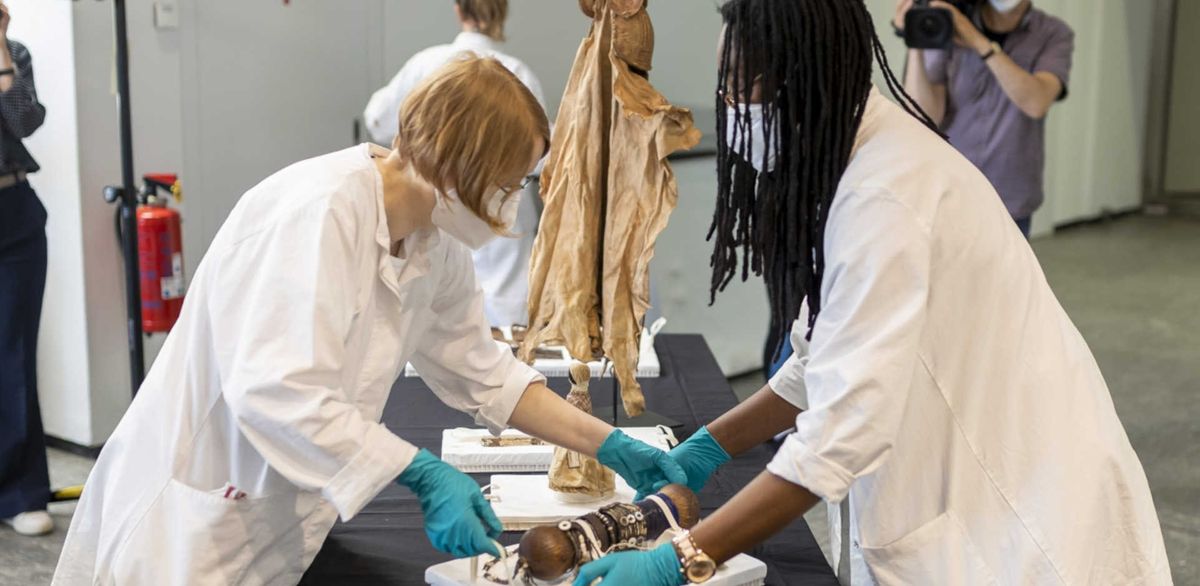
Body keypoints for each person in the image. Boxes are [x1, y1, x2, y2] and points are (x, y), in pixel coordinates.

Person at [575, 1, 1171, 585]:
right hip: (979, 491)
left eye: (739, 88)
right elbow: (820, 360)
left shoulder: (884, 194)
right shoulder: (848, 161)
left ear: (797, 77)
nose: (731, 107)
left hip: (1025, 517)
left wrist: (677, 558)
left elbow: (840, 434)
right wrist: (705, 449)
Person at [52, 56, 685, 585]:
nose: (512, 202)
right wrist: (419, 472)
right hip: (191, 521)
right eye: (510, 181)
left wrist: (607, 443)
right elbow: (274, 391)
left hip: (278, 516)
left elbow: (482, 372)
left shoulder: (435, 238)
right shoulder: (317, 212)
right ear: (457, 164)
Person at [365, 0, 544, 328]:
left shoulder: (427, 64)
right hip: (479, 248)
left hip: (487, 251)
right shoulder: (517, 73)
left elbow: (378, 118)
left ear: (458, 8)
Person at [897, 0, 1074, 238]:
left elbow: (1036, 102)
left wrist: (978, 42)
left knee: (1008, 276)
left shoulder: (1053, 33)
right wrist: (916, 38)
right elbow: (923, 116)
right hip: (949, 191)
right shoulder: (950, 22)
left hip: (1010, 197)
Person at [0, 0, 51, 538]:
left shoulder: (14, 56)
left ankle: (21, 491)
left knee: (14, 354)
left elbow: (24, 120)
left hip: (14, 216)